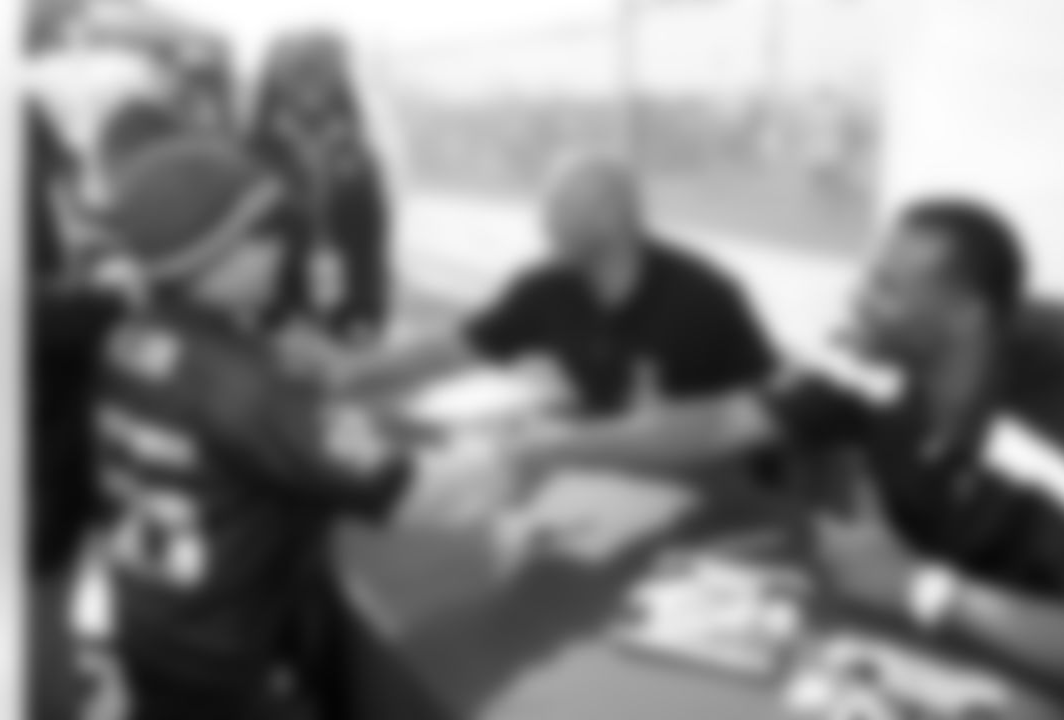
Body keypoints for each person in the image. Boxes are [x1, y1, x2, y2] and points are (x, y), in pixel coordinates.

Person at [507, 198, 1064, 695]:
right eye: (868, 276)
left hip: (1029, 678)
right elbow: (721, 423)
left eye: (887, 288)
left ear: (964, 316)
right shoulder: (873, 357)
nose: (856, 298)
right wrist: (551, 445)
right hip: (901, 653)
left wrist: (923, 588)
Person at [72, 134, 516, 720]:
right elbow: (405, 489)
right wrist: (511, 459)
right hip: (238, 667)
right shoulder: (246, 384)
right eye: (262, 233)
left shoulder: (126, 337)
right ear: (210, 255)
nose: (282, 247)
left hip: (154, 630)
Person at [287, 153, 775, 424]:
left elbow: (759, 416)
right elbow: (449, 350)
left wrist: (555, 446)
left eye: (560, 210)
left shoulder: (700, 297)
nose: (544, 225)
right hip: (624, 459)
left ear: (613, 215)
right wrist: (349, 373)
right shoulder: (547, 287)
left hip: (725, 477)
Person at [252, 31, 393, 343]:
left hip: (343, 316)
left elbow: (370, 241)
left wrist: (368, 313)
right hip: (274, 318)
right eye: (300, 74)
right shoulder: (256, 151)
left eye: (321, 75)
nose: (311, 87)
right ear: (278, 82)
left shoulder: (355, 151)